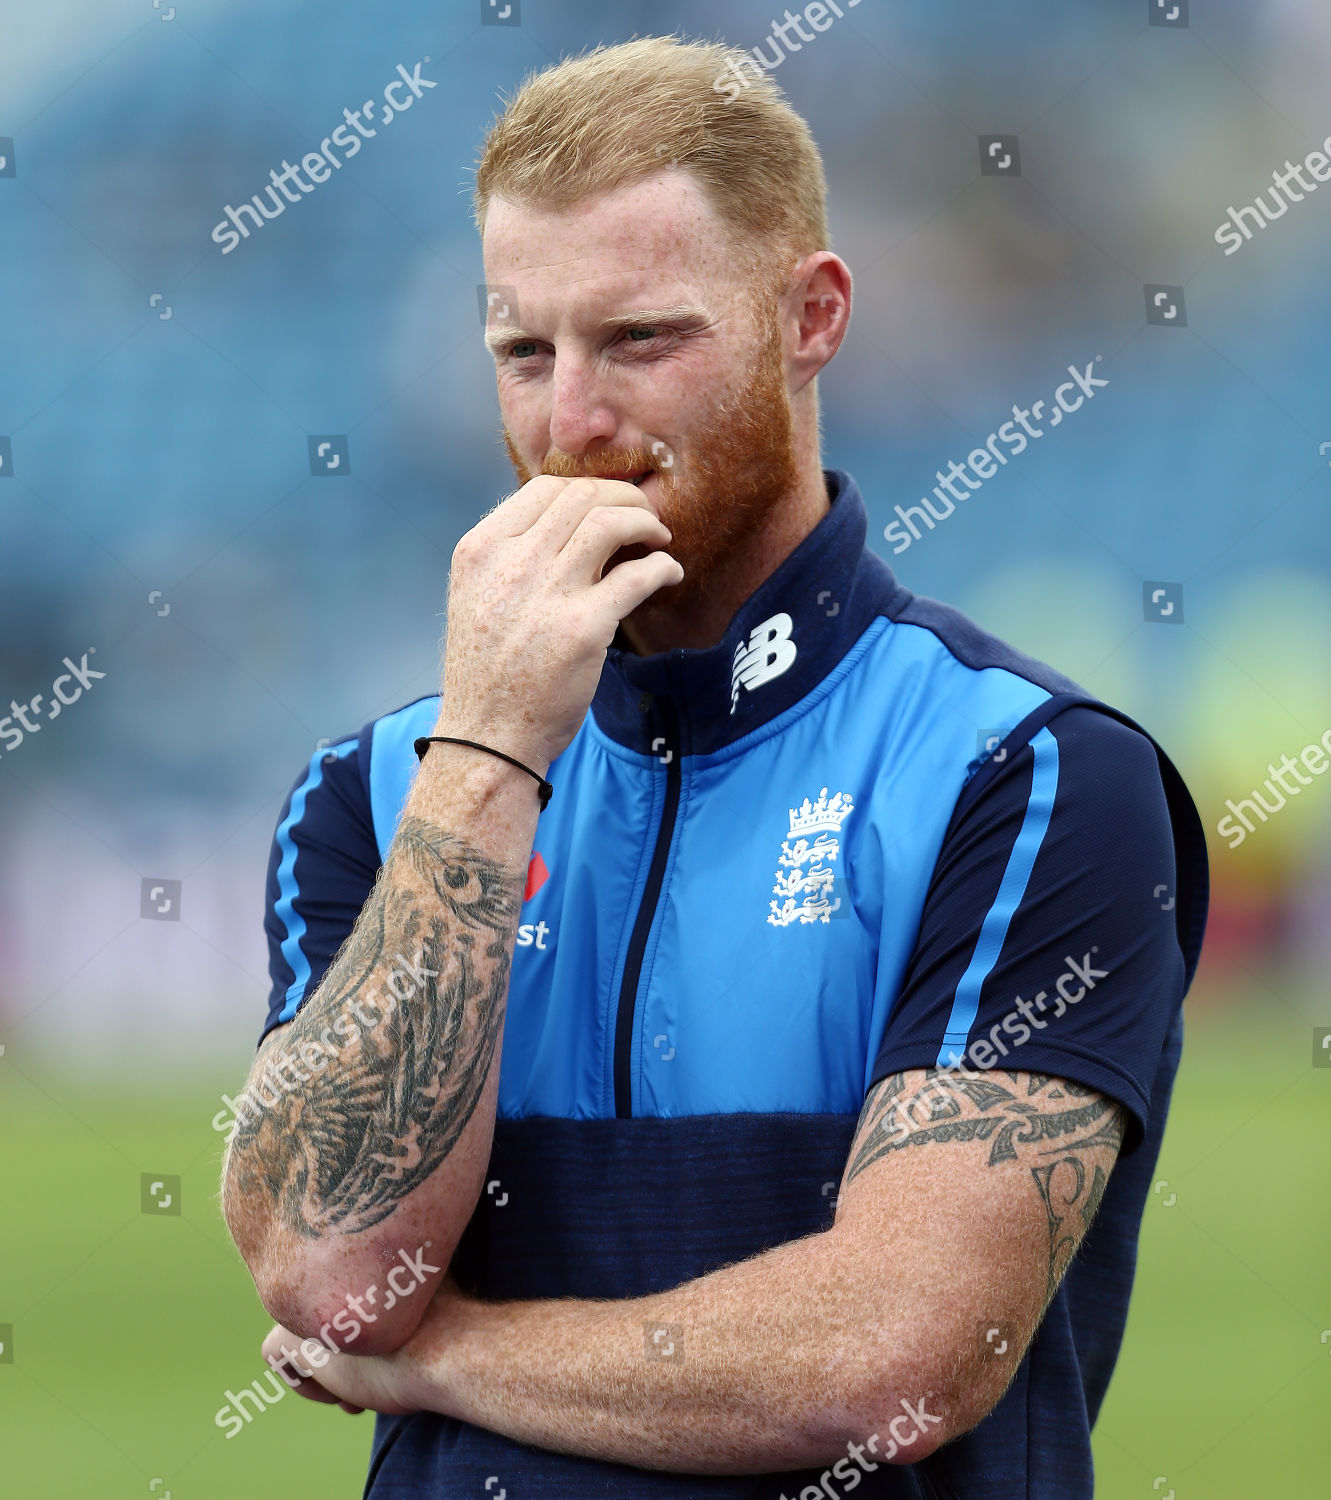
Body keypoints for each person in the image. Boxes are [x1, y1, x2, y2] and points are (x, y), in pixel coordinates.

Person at [219, 35, 1208, 1498]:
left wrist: (442, 1363)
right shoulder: (377, 792)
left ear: (812, 317)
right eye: (521, 351)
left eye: (640, 342)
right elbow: (329, 1272)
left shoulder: (1028, 774)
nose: (572, 426)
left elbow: (894, 1356)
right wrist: (488, 752)